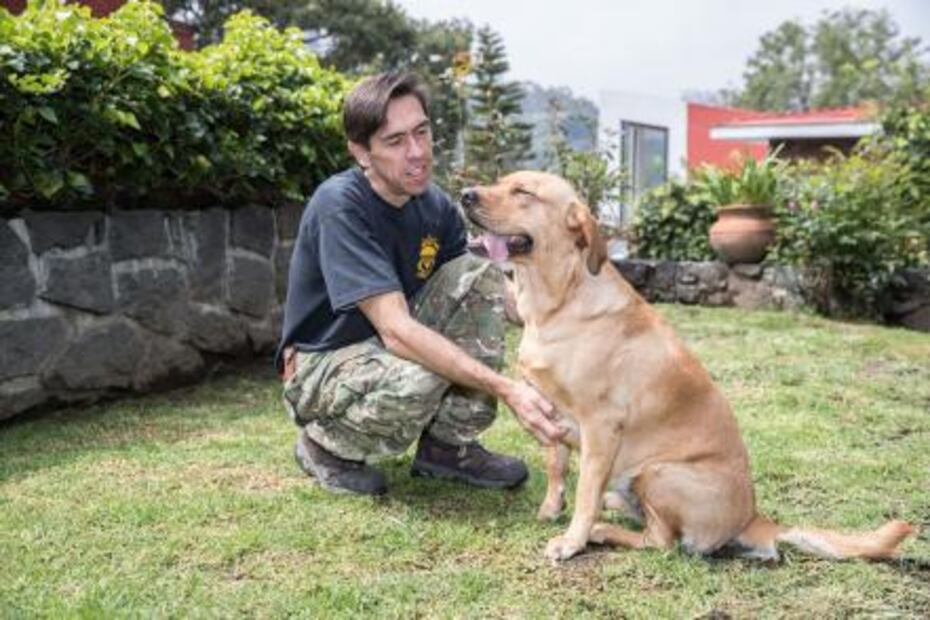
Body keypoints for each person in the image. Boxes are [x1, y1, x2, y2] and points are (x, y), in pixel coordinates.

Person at [275, 72, 564, 496]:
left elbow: (485, 291)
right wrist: (507, 390)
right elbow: (396, 331)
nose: (417, 153)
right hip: (323, 361)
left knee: (479, 268)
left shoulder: (434, 206)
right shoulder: (340, 205)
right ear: (362, 153)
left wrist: (569, 327)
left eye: (422, 133)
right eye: (395, 142)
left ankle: (446, 450)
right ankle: (325, 447)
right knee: (424, 375)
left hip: (385, 345)